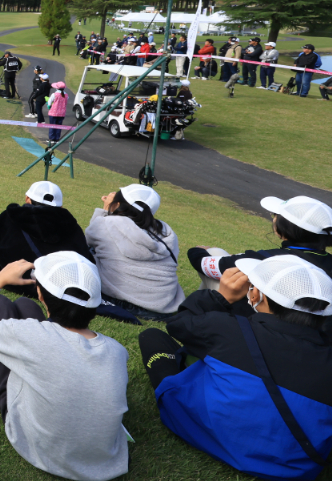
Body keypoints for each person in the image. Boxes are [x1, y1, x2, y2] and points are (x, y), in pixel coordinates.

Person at [138, 256, 332, 480]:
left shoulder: (225, 327)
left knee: (152, 337)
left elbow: (179, 324)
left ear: (256, 295)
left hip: (202, 429)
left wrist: (220, 297)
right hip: (295, 467)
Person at [0, 252, 130, 481]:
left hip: (43, 451)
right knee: (24, 305)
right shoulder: (117, 351)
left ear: (40, 293)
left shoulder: (32, 336)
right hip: (105, 460)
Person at [187, 195, 332, 290]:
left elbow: (202, 264)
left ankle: (195, 313)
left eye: (275, 215)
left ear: (285, 227)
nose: (273, 219)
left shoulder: (269, 259)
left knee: (213, 253)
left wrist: (197, 250)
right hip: (316, 327)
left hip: (261, 323)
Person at [85, 184, 184, 320]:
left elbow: (88, 241)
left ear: (117, 204)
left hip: (121, 301)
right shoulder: (166, 231)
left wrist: (106, 210)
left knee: (86, 252)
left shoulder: (107, 223)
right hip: (163, 306)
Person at [0, 180, 92, 283]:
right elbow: (84, 257)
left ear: (27, 199)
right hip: (57, 286)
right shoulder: (72, 226)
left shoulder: (11, 216)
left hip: (12, 280)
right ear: (61, 206)